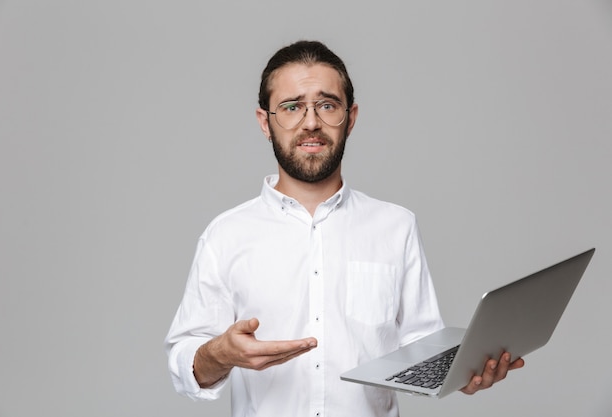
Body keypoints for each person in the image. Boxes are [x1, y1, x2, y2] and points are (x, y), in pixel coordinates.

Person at [164, 40, 524, 417]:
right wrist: (218, 354)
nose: (310, 122)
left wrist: (465, 369)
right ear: (264, 122)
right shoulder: (225, 236)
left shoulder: (396, 226)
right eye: (291, 107)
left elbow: (421, 346)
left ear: (350, 118)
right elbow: (184, 362)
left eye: (327, 105)